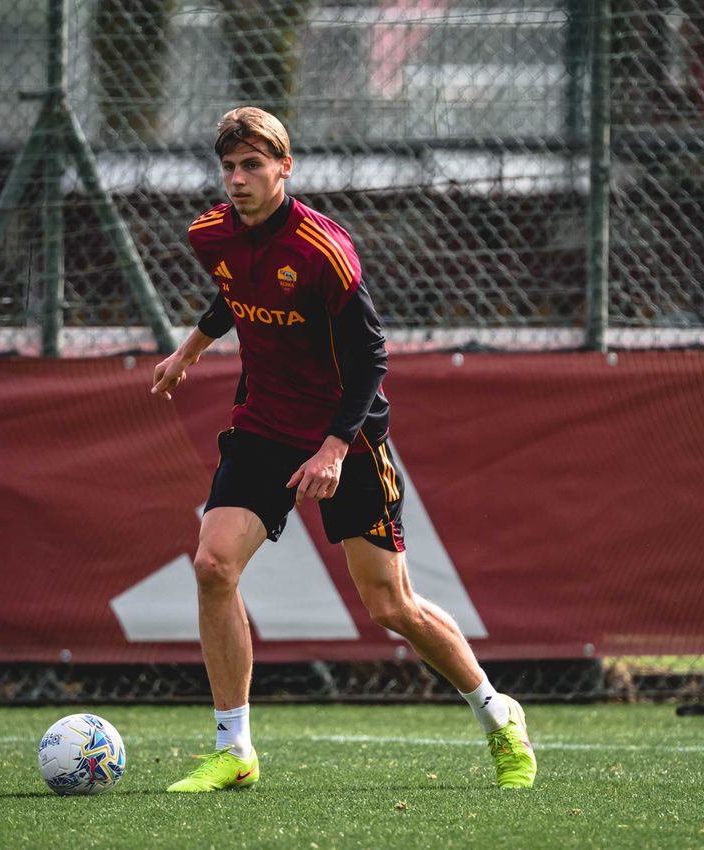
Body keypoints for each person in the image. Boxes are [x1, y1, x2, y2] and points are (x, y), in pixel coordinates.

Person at [151, 106, 536, 792]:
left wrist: (332, 448)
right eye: (229, 167)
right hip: (263, 428)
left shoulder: (322, 249)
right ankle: (234, 750)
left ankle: (497, 714)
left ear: (284, 167)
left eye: (252, 166)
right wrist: (191, 348)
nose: (237, 180)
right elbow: (235, 291)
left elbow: (370, 358)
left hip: (347, 439)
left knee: (391, 607)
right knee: (212, 566)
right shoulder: (209, 234)